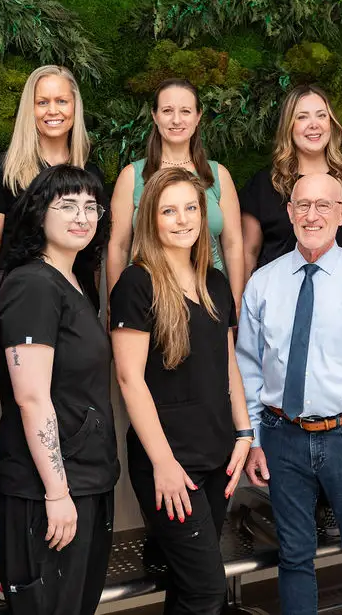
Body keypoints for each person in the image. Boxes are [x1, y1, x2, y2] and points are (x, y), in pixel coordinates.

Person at [237, 172, 342, 615]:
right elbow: (249, 369)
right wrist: (254, 440)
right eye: (302, 205)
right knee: (293, 558)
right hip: (281, 436)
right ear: (289, 212)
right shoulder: (263, 283)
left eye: (323, 205)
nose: (312, 215)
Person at [110, 168, 253, 615]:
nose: (183, 219)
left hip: (217, 454)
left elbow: (227, 361)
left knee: (189, 586)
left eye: (191, 208)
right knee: (209, 590)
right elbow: (129, 379)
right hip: (170, 462)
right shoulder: (137, 284)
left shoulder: (213, 282)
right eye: (169, 210)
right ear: (150, 218)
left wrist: (245, 434)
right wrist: (164, 464)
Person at [0, 164, 120, 615]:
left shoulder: (74, 282)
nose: (82, 216)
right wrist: (57, 493)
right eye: (66, 205)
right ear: (38, 214)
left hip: (86, 478)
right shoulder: (31, 284)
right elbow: (31, 397)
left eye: (91, 206)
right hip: (47, 490)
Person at [0, 64, 105, 369]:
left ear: (75, 107)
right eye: (42, 102)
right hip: (23, 309)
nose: (52, 110)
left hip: (78, 309)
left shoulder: (92, 174)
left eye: (61, 101)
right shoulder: (3, 171)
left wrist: (94, 311)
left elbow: (94, 253)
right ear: (29, 110)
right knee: (27, 404)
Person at [107, 78, 245, 309]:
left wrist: (236, 303)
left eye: (186, 111)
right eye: (167, 111)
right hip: (148, 297)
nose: (176, 120)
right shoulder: (132, 176)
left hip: (208, 295)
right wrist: (115, 304)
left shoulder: (218, 175)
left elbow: (233, 244)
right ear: (155, 115)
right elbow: (118, 246)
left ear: (198, 116)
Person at [240, 83, 342, 276]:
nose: (314, 124)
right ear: (289, 126)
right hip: (281, 300)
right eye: (302, 117)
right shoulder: (264, 184)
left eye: (321, 115)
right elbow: (249, 253)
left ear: (331, 123)